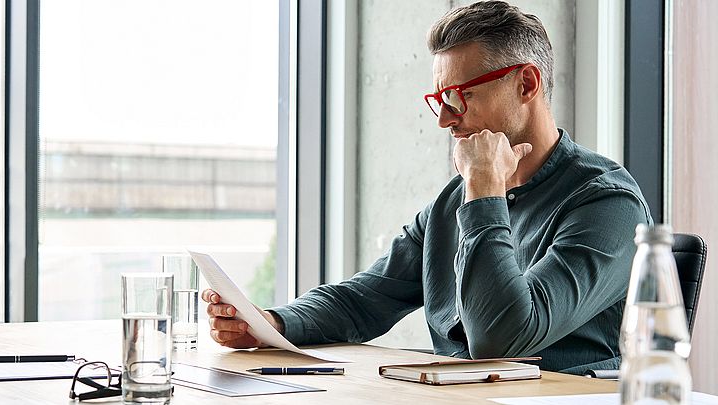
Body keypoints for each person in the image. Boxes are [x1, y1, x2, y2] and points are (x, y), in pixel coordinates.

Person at [202, 0, 651, 374]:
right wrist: (272, 322)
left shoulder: (606, 203)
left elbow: (501, 339)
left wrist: (484, 192)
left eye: (461, 96)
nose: (444, 118)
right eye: (439, 98)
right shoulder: (454, 202)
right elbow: (364, 299)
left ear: (527, 83)